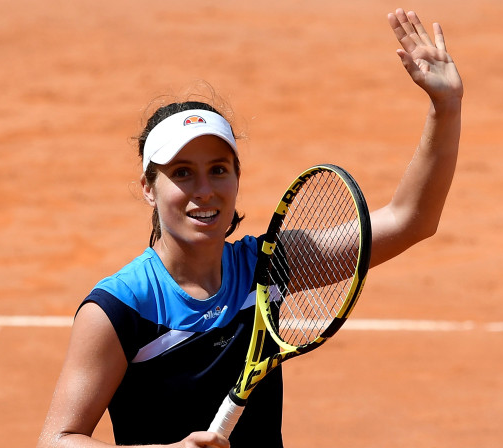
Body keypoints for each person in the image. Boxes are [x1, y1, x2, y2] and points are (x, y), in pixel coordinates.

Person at [38, 8, 463, 448]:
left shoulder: (267, 266)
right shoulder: (121, 308)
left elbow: (410, 219)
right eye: (182, 173)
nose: (204, 190)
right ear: (149, 187)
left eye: (218, 169)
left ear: (237, 178)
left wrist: (445, 107)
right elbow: (57, 440)